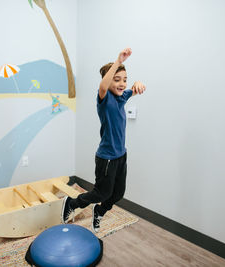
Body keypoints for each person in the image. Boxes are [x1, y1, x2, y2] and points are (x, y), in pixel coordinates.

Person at [61, 48, 146, 233]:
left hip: (121, 155)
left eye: (124, 79)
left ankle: (99, 210)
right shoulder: (105, 99)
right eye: (116, 80)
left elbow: (133, 90)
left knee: (117, 194)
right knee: (102, 192)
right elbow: (102, 87)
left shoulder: (121, 98)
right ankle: (72, 203)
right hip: (106, 157)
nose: (122, 84)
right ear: (108, 82)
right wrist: (118, 60)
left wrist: (138, 83)